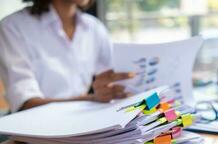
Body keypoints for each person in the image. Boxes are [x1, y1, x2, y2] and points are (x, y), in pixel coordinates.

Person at [0, 0, 134, 113]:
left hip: (82, 122)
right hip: (36, 131)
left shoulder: (94, 27)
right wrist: (93, 98)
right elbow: (25, 104)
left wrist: (110, 89)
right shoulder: (13, 27)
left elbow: (115, 78)